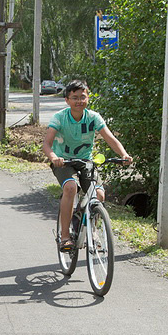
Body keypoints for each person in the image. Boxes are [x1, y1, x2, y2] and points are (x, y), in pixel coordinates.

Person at [42, 79, 132, 252]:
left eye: (82, 97)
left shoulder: (93, 117)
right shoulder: (60, 118)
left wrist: (123, 155)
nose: (79, 101)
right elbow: (46, 144)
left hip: (85, 162)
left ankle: (92, 230)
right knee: (70, 188)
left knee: (99, 194)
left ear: (88, 98)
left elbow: (110, 138)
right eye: (74, 97)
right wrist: (54, 157)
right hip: (64, 162)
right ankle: (66, 236)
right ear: (67, 100)